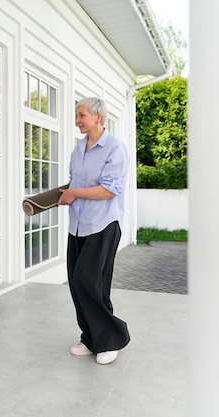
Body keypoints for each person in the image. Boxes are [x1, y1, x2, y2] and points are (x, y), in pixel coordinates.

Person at [57, 97, 130, 365]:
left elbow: (110, 189)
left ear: (98, 116)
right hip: (77, 226)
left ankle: (111, 339)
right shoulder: (78, 150)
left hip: (103, 225)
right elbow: (74, 182)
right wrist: (64, 192)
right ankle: (91, 338)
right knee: (77, 283)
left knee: (90, 282)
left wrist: (74, 192)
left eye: (81, 115)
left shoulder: (114, 148)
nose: (77, 121)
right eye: (77, 115)